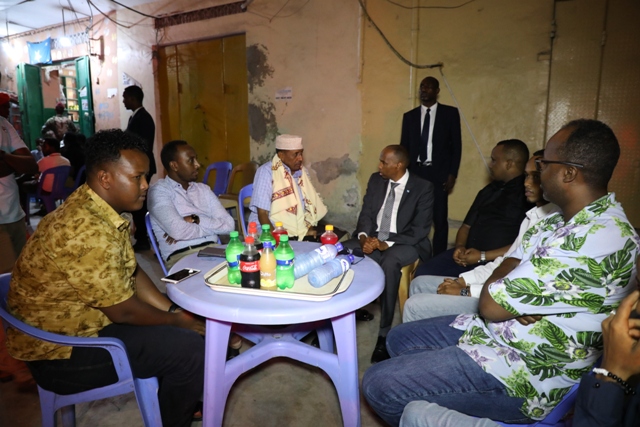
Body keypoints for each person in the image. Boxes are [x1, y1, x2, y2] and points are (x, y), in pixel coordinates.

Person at [362, 119, 639, 426]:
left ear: (569, 173)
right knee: (399, 338)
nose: (537, 171)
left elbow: (491, 304)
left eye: (544, 163)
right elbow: (509, 267)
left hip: (524, 371)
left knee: (377, 384)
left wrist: (510, 283)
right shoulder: (555, 218)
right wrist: (513, 283)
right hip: (496, 333)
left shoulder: (597, 238)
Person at [6, 129, 205, 427]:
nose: (145, 185)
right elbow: (123, 311)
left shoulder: (103, 207)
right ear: (105, 178)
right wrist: (178, 322)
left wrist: (173, 310)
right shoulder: (86, 229)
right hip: (59, 354)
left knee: (187, 323)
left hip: (84, 324)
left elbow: (131, 269)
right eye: (137, 177)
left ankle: (178, 395)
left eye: (146, 176)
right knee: (189, 349)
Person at [400, 275, 640, 427]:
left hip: (533, 389)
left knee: (414, 412)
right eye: (637, 283)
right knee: (402, 342)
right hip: (499, 340)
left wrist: (612, 374)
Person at [403, 150, 559, 322]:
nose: (527, 183)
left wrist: (466, 289)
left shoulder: (553, 222)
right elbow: (501, 259)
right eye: (526, 176)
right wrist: (462, 269)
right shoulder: (529, 215)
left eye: (535, 177)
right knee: (420, 282)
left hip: (496, 294)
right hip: (483, 270)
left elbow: (517, 282)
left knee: (415, 305)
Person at [342, 145, 433, 363]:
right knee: (341, 251)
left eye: (384, 162)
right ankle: (341, 315)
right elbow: (366, 214)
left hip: (406, 241)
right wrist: (364, 239)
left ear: (398, 165)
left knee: (389, 262)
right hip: (374, 236)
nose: (379, 166)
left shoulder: (423, 187)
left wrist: (386, 243)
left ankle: (384, 334)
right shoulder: (377, 180)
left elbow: (419, 230)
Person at [414, 139, 532, 279]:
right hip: (468, 256)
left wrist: (482, 256)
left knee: (445, 283)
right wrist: (459, 247)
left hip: (495, 261)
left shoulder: (527, 196)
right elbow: (465, 227)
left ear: (509, 164)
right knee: (423, 272)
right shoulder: (489, 190)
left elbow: (523, 244)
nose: (490, 165)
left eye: (494, 160)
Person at [0, 91, 38, 391]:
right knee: (6, 293)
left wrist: (5, 159)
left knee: (25, 286)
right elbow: (17, 164)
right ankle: (14, 365)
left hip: (14, 215)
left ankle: (20, 356)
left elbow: (30, 165)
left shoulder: (3, 125)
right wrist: (12, 161)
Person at [148, 140, 235, 269]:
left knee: (247, 270)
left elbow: (229, 226)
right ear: (174, 166)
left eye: (196, 159)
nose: (198, 165)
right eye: (191, 161)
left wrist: (196, 219)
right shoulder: (159, 192)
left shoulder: (204, 189)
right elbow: (178, 231)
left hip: (215, 251)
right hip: (182, 256)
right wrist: (212, 227)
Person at [400, 76, 461, 256]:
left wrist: (452, 173)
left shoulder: (449, 114)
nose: (424, 90)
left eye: (428, 87)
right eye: (422, 86)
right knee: (412, 216)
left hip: (438, 173)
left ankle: (438, 257)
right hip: (415, 172)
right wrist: (403, 173)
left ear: (437, 91)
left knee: (439, 219)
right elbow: (404, 147)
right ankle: (414, 254)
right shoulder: (410, 117)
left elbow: (456, 147)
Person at [249, 134, 328, 240]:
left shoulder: (303, 173)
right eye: (295, 154)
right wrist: (277, 239)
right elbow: (262, 213)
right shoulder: (267, 172)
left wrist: (307, 230)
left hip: (296, 231)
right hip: (268, 230)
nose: (300, 158)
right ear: (281, 155)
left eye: (301, 153)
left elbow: (308, 207)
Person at [123, 85, 156, 251]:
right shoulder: (136, 117)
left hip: (141, 167)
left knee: (139, 203)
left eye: (125, 98)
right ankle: (141, 235)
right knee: (138, 202)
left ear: (132, 98)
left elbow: (141, 145)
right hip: (139, 166)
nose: (123, 101)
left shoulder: (143, 118)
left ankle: (143, 238)